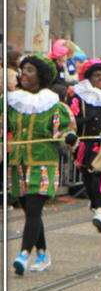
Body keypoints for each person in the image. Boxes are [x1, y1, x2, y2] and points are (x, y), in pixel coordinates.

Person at [5, 54, 77, 274]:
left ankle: (23, 255)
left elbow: (63, 132)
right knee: (30, 212)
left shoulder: (53, 105)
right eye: (23, 69)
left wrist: (68, 137)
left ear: (41, 75)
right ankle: (43, 253)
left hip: (43, 165)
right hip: (18, 164)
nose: (23, 74)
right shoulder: (10, 101)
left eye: (29, 70)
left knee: (34, 210)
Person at [69, 58, 101, 232]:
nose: (100, 78)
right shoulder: (79, 97)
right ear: (89, 77)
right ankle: (100, 208)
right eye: (96, 75)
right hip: (84, 145)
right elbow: (71, 119)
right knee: (87, 177)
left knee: (99, 177)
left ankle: (100, 211)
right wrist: (83, 121)